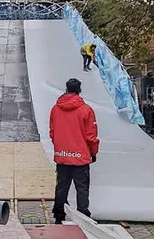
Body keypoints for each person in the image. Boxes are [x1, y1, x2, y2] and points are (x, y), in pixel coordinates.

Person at [49, 78, 99, 224]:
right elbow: (91, 135)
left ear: (66, 89)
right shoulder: (86, 110)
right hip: (80, 156)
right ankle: (83, 215)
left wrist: (60, 148)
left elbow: (52, 132)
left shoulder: (55, 109)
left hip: (62, 156)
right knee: (82, 188)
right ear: (79, 90)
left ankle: (59, 214)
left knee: (61, 186)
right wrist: (93, 152)